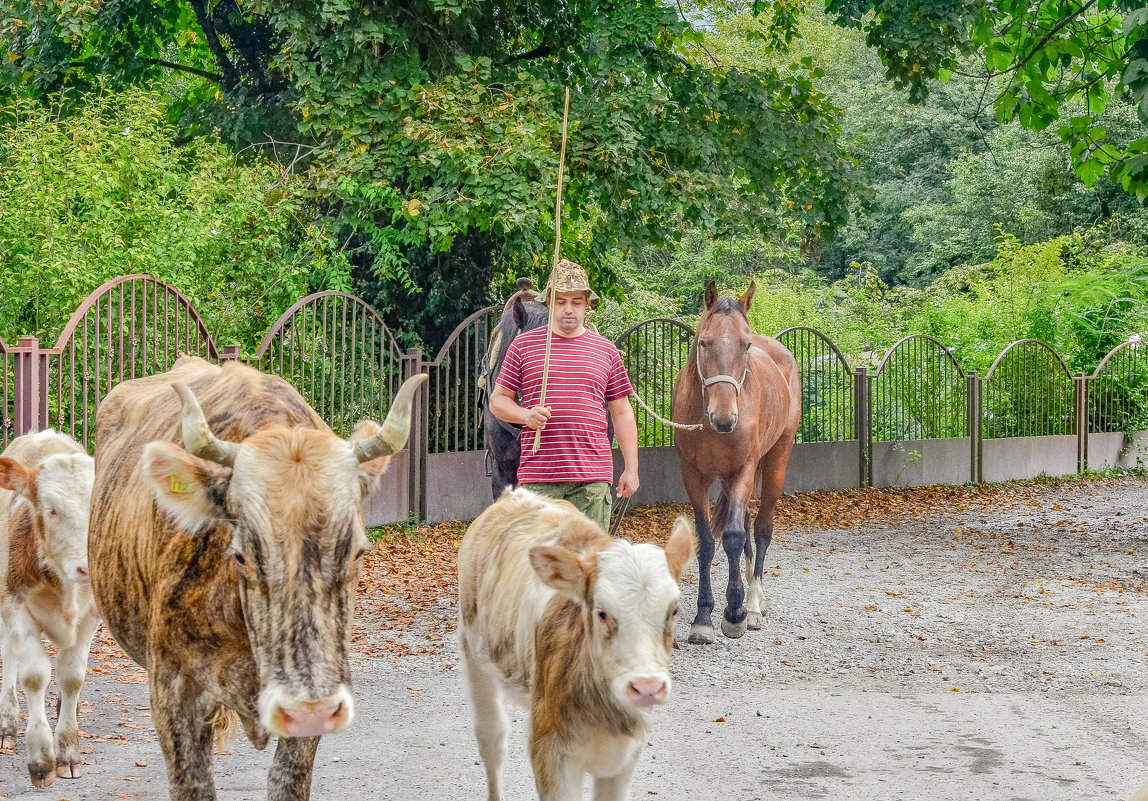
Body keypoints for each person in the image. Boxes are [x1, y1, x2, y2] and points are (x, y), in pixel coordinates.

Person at [488, 259, 639, 530]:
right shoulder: (524, 345)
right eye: (561, 302)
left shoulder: (606, 351)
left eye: (576, 302)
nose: (568, 309)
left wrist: (631, 468)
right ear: (549, 303)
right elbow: (498, 401)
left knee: (588, 567)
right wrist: (526, 415)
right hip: (539, 480)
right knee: (538, 568)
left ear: (587, 304)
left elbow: (622, 411)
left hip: (592, 480)